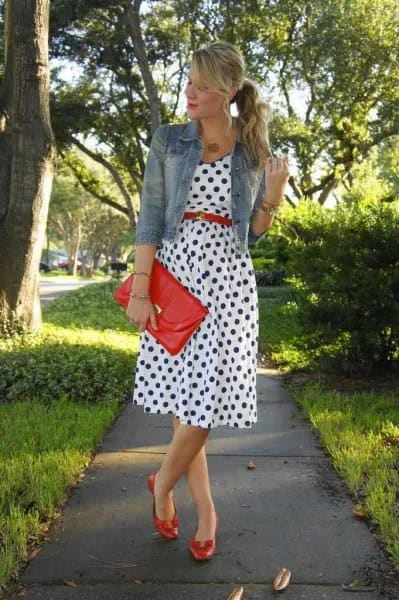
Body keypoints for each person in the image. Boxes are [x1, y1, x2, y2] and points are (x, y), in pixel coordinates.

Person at [126, 40, 290, 561]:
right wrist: (140, 286)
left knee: (206, 399)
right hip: (177, 274)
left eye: (201, 85)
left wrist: (274, 197)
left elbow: (256, 232)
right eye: (188, 81)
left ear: (228, 92)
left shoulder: (251, 145)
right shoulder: (169, 140)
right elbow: (150, 217)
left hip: (229, 281)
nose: (189, 92)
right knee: (184, 399)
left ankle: (160, 485)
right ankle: (207, 511)